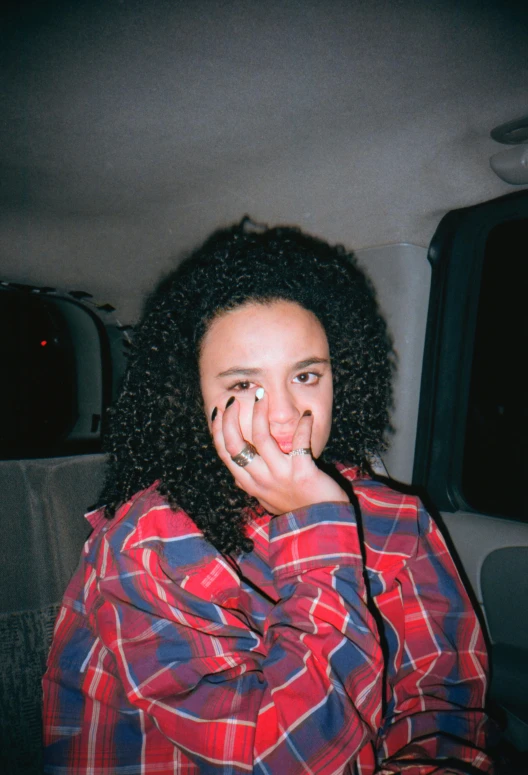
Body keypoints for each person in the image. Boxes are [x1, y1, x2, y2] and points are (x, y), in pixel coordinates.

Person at [42, 219, 494, 774]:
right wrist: (317, 525)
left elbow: (443, 700)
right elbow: (283, 756)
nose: (283, 416)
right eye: (243, 387)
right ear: (190, 398)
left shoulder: (395, 517)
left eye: (305, 376)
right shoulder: (146, 542)